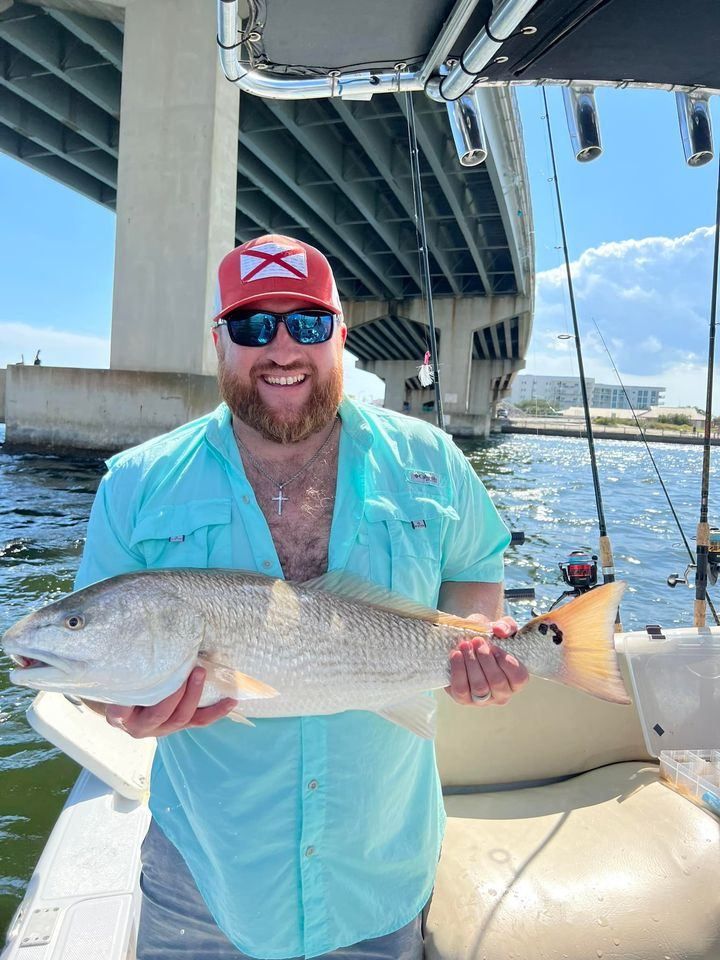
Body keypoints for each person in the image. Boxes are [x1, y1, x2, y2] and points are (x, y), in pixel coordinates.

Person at [75, 234, 528, 960]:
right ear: (219, 341)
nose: (282, 348)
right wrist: (119, 709)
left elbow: (474, 570)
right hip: (206, 873)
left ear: (340, 337)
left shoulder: (432, 460)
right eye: (254, 325)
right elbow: (99, 649)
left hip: (376, 867)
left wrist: (477, 645)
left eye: (308, 324)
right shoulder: (134, 482)